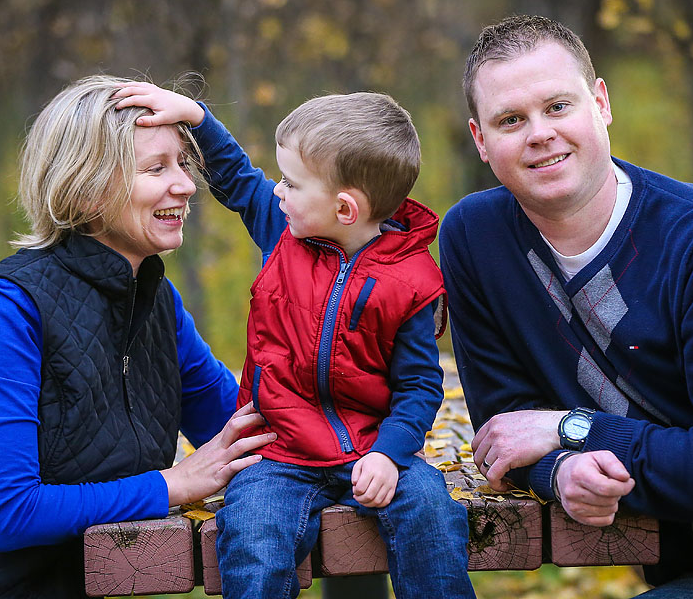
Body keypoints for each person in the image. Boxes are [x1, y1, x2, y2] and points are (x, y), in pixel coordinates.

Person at [0, 75, 276, 599]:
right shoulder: (4, 310)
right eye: (155, 168)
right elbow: (10, 513)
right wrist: (171, 485)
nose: (185, 185)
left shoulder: (155, 301)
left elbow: (241, 429)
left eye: (183, 164)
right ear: (87, 186)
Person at [440, 13, 693, 597]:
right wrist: (560, 469)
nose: (539, 133)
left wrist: (572, 429)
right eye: (511, 120)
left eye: (558, 106)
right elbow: (507, 428)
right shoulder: (477, 240)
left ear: (601, 103)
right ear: (481, 141)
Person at [113, 82, 475, 598]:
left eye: (291, 182)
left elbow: (419, 386)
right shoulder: (283, 233)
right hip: (279, 450)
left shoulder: (412, 282)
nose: (277, 191)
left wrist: (391, 455)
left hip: (372, 445)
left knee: (431, 511)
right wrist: (197, 118)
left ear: (344, 209)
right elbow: (238, 179)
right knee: (254, 533)